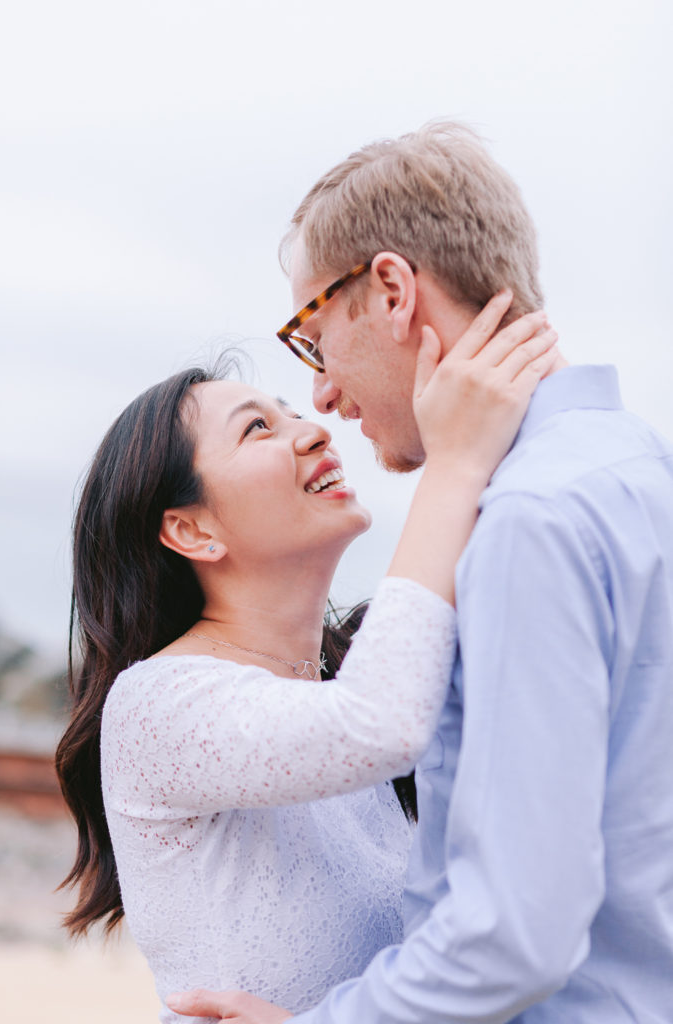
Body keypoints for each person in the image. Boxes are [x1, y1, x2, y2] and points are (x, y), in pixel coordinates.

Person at [170, 123, 673, 1023]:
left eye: (311, 336)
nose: (320, 395)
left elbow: (510, 935)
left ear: (393, 291)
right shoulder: (638, 471)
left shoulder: (528, 523)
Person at [55, 301, 556, 1022]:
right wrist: (453, 464)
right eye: (258, 427)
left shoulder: (336, 690)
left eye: (291, 411)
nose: (313, 429)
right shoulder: (157, 705)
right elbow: (379, 723)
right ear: (190, 530)